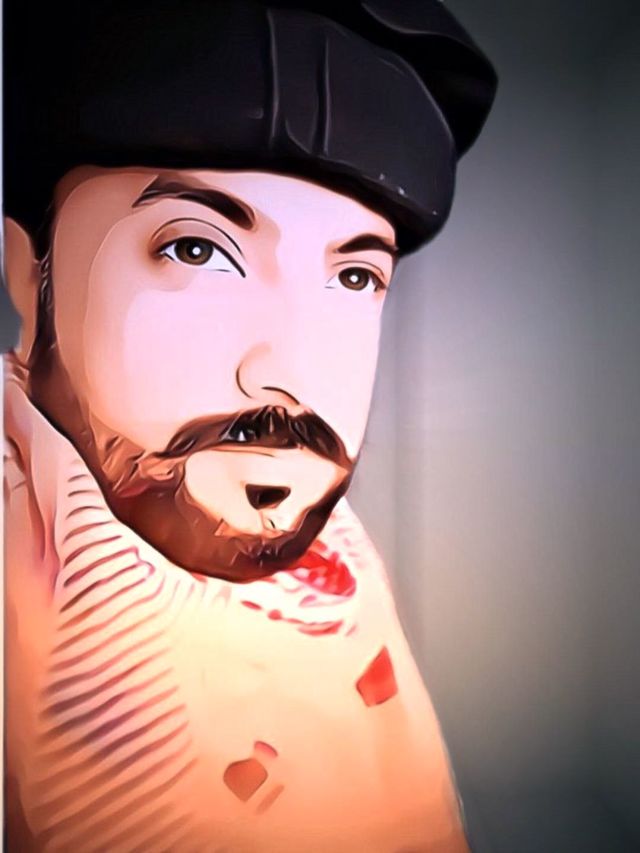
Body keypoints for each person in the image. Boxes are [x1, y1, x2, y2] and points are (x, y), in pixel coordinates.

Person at [3, 1, 497, 849]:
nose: (290, 374)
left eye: (354, 277)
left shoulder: (343, 591)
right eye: (195, 250)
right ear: (26, 273)